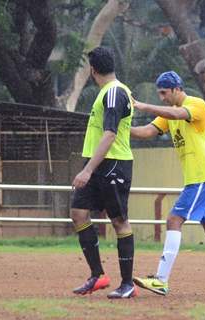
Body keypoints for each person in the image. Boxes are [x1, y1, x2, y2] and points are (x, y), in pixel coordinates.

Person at [131, 71, 205, 296]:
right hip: (198, 179)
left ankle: (161, 280)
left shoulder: (197, 105)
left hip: (201, 178)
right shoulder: (169, 114)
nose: (162, 97)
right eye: (159, 94)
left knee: (174, 219)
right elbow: (147, 131)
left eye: (164, 93)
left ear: (177, 89)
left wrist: (144, 107)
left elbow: (177, 115)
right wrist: (120, 130)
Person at [70, 47, 137, 299]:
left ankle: (127, 284)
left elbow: (110, 134)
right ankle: (97, 275)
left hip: (113, 164)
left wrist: (87, 170)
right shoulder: (107, 93)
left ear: (93, 70)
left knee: (119, 221)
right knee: (78, 213)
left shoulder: (114, 93)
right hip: (97, 164)